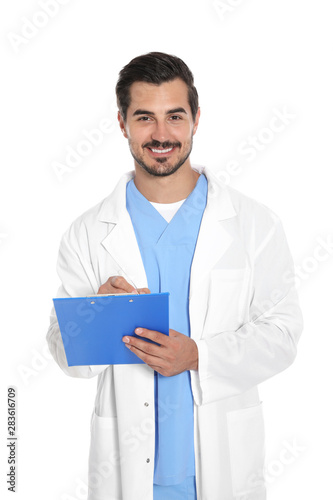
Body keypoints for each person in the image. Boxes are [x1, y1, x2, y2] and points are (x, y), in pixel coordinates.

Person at [46, 52, 303, 500]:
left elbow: (283, 336)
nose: (161, 134)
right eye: (144, 117)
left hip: (221, 464)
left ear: (196, 119)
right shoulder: (87, 232)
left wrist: (199, 356)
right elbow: (67, 358)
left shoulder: (254, 224)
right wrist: (95, 314)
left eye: (175, 116)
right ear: (122, 123)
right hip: (127, 471)